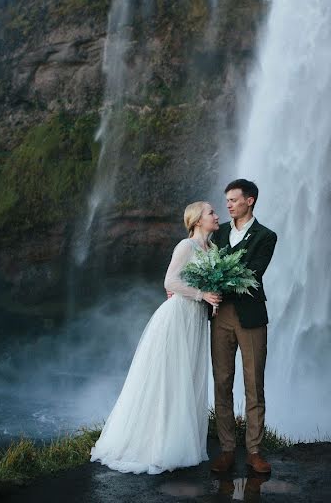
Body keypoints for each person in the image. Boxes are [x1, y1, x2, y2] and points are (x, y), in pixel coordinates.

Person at [89, 201, 222, 474]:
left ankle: (184, 441)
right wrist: (201, 295)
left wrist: (212, 298)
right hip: (179, 316)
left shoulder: (214, 249)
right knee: (171, 376)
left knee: (191, 375)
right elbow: (169, 282)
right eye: (211, 212)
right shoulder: (186, 247)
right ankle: (158, 443)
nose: (216, 215)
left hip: (197, 319)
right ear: (197, 220)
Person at [209, 179, 278, 474]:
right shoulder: (219, 231)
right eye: (226, 201)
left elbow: (252, 272)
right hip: (220, 315)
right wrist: (186, 286)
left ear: (249, 201)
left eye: (234, 200)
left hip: (251, 318)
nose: (228, 205)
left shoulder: (266, 236)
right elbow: (198, 259)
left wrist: (213, 279)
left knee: (254, 384)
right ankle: (226, 449)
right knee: (222, 382)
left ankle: (254, 451)